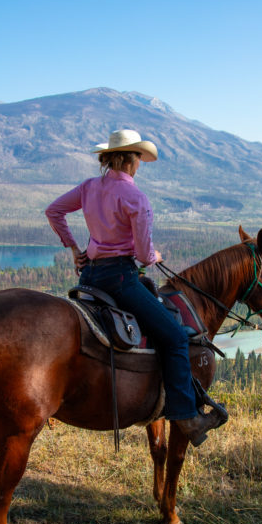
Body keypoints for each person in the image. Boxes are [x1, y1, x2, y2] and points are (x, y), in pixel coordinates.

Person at [45, 129, 226, 446]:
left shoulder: (89, 187)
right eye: (139, 158)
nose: (140, 164)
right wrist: (154, 256)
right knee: (172, 335)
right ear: (132, 160)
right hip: (120, 280)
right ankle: (185, 415)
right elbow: (143, 256)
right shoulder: (136, 198)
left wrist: (74, 248)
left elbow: (54, 211)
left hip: (89, 278)